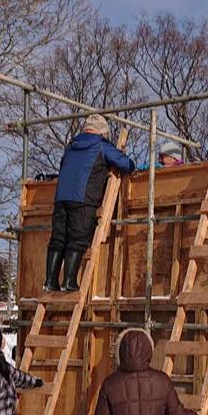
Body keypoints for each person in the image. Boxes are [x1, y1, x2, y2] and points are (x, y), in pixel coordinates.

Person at [44, 114, 136, 292]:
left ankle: (50, 281)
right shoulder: (101, 146)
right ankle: (69, 281)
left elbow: (63, 165)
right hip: (83, 199)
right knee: (78, 240)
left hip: (61, 198)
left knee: (58, 239)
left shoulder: (71, 147)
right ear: (102, 133)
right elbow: (127, 165)